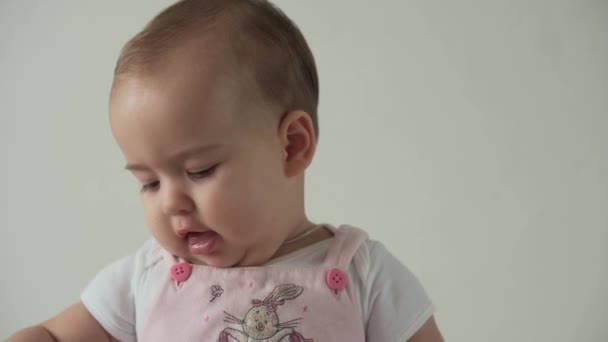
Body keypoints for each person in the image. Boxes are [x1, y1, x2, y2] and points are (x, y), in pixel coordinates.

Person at [7, 0, 443, 341]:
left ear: (291, 146)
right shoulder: (146, 277)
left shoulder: (363, 275)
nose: (171, 202)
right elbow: (54, 336)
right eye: (150, 182)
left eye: (199, 170)